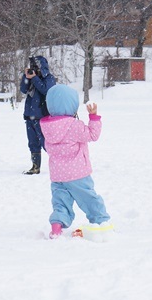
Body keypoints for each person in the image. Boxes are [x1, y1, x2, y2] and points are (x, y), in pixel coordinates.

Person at [40, 85, 111, 239]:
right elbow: (92, 135)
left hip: (58, 175)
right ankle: (100, 221)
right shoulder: (73, 125)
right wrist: (93, 118)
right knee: (89, 198)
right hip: (77, 173)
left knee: (61, 202)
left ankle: (57, 225)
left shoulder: (47, 126)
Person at [20, 56, 56, 175]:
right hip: (30, 115)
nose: (34, 69)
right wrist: (26, 77)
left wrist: (35, 78)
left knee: (46, 143)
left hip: (42, 116)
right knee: (32, 143)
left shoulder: (49, 78)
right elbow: (23, 90)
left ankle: (58, 163)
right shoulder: (30, 77)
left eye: (36, 66)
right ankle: (35, 166)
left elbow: (46, 90)